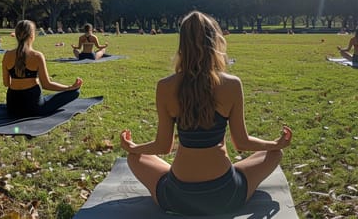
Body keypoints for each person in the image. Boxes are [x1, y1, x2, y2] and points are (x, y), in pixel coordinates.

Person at [119, 11, 292, 216]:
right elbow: (242, 143)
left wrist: (133, 147)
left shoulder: (165, 86)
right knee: (274, 154)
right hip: (225, 195)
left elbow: (163, 147)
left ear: (182, 44)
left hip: (177, 197)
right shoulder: (231, 84)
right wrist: (274, 144)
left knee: (134, 158)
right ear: (215, 42)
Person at [1, 20, 82, 117]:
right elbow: (47, 85)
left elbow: (6, 84)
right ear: (32, 35)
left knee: (48, 98)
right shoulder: (37, 56)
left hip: (13, 108)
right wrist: (69, 87)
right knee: (75, 93)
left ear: (17, 35)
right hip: (34, 108)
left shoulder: (7, 55)